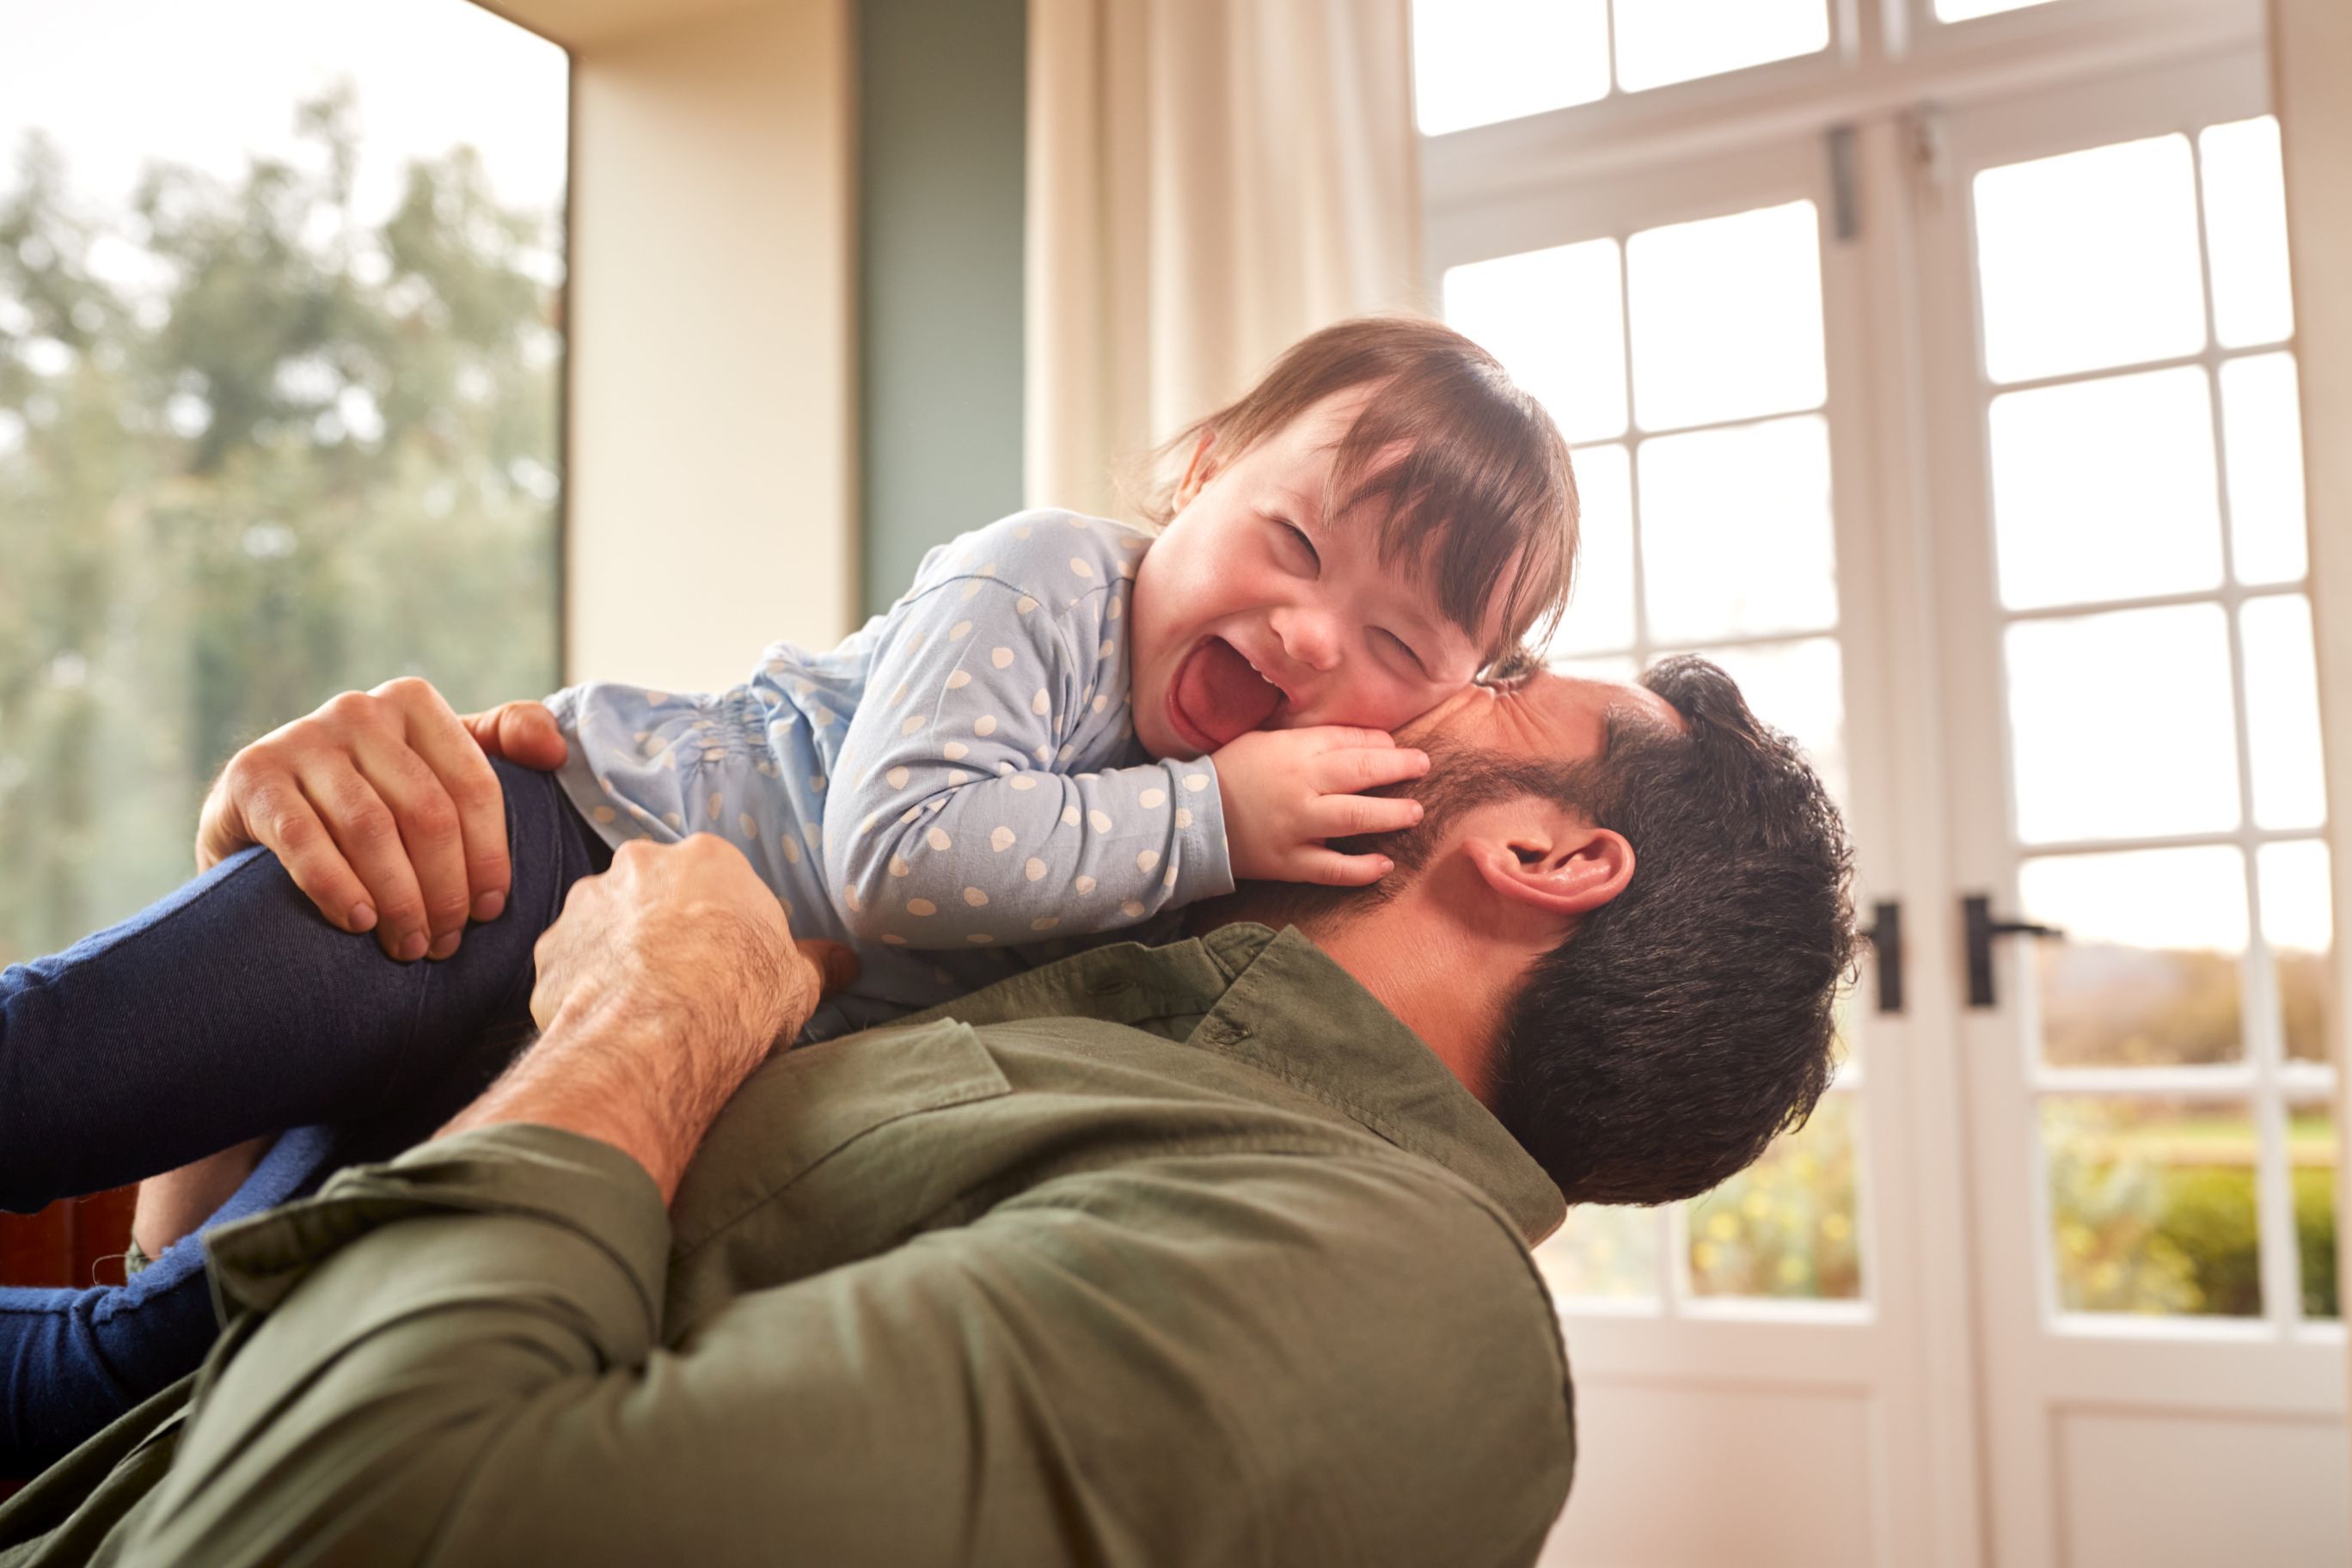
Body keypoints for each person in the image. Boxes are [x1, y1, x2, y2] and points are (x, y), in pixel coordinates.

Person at [0, 315, 1579, 1467]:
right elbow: (898, 854)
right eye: (1293, 541)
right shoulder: (1042, 585)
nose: (1312, 641)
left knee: (143, 1372)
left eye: (1397, 651)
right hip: (533, 860)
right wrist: (1210, 812)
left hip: (594, 1051)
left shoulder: (1243, 855)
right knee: (50, 1077)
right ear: (1201, 473)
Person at [0, 654, 1854, 1565]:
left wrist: (646, 1028)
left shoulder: (1384, 1292)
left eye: (1503, 682)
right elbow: (209, 1384)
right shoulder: (1077, 1043)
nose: (1402, 676)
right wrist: (322, 912)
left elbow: (345, 1520)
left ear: (1541, 853)